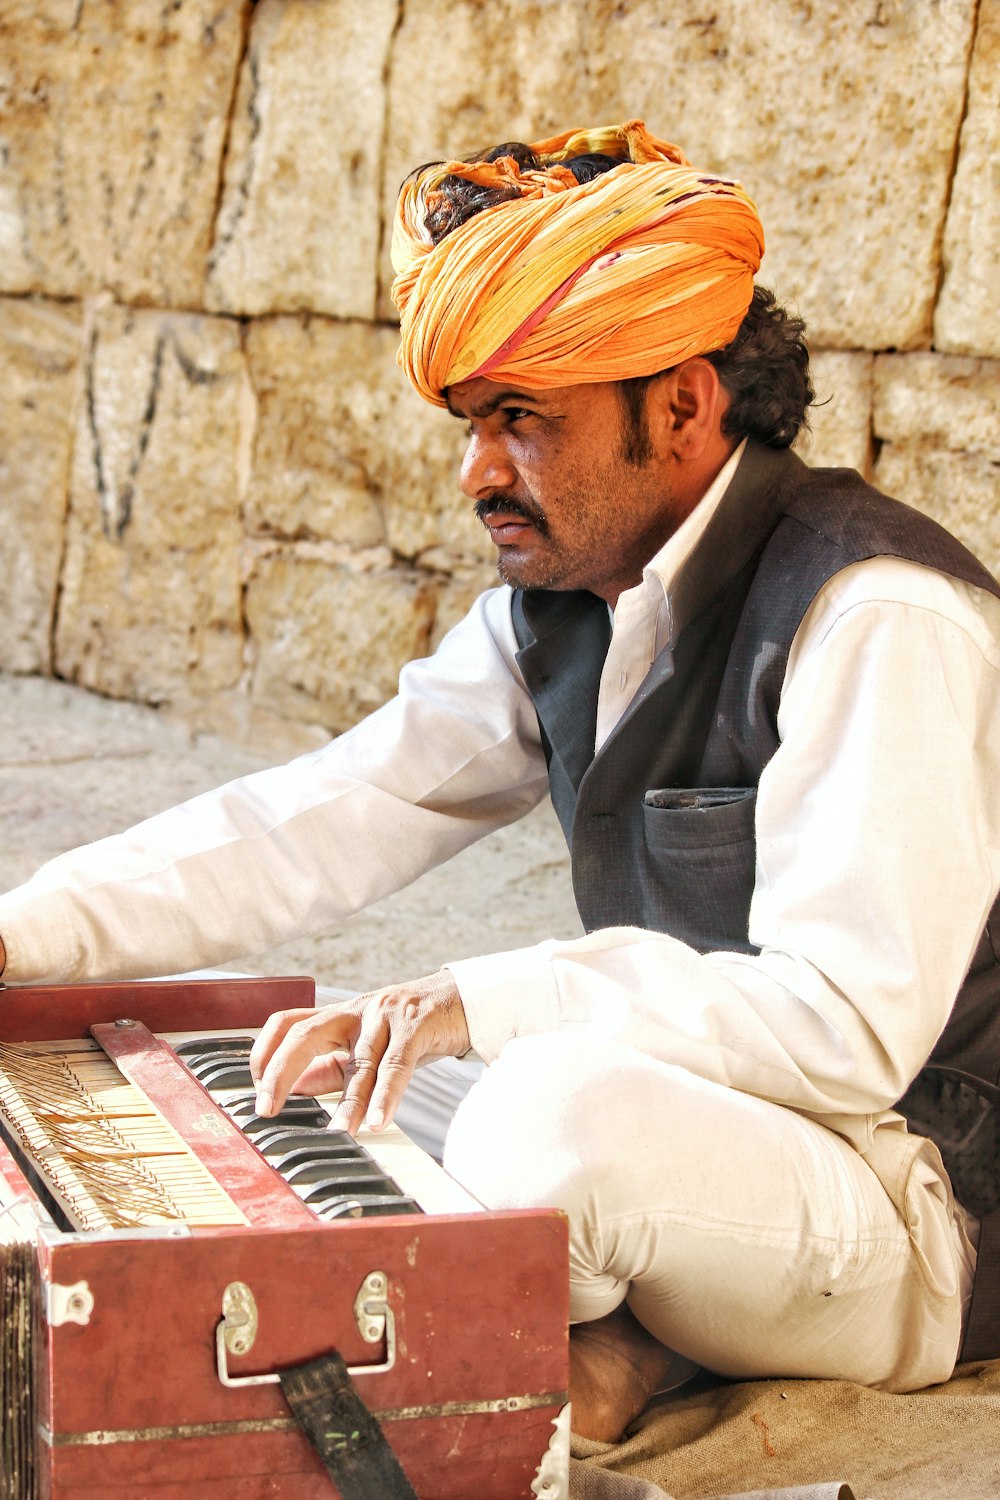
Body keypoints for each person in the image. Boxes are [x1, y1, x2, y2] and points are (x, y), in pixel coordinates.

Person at [1, 120, 998, 1443]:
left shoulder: (876, 613)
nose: (478, 473)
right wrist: (23, 936)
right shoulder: (566, 600)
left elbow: (845, 1031)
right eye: (476, 424)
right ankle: (618, 1331)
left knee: (545, 1116)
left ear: (685, 405)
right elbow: (322, 816)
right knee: (301, 1062)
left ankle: (612, 1341)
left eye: (523, 421)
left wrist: (492, 999)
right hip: (716, 1127)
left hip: (912, 1191)